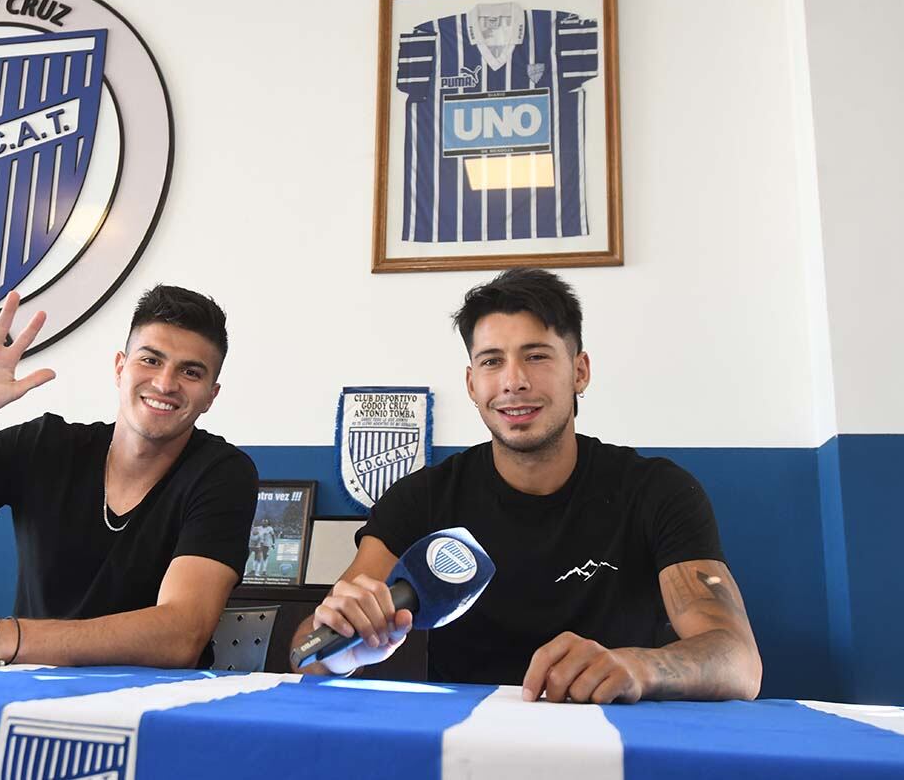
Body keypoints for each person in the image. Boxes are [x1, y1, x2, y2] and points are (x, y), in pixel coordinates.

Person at [291, 269, 762, 703]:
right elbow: (304, 651)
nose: (513, 382)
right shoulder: (422, 498)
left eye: (536, 356)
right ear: (472, 384)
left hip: (616, 742)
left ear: (580, 371)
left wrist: (641, 666)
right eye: (492, 362)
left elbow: (739, 661)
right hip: (469, 751)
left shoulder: (658, 491)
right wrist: (339, 653)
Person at [0, 284, 258, 669]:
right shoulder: (43, 445)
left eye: (191, 372)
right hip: (30, 700)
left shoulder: (221, 473)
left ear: (210, 396)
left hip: (154, 714)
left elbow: (180, 635)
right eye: (150, 360)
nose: (165, 383)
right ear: (119, 368)